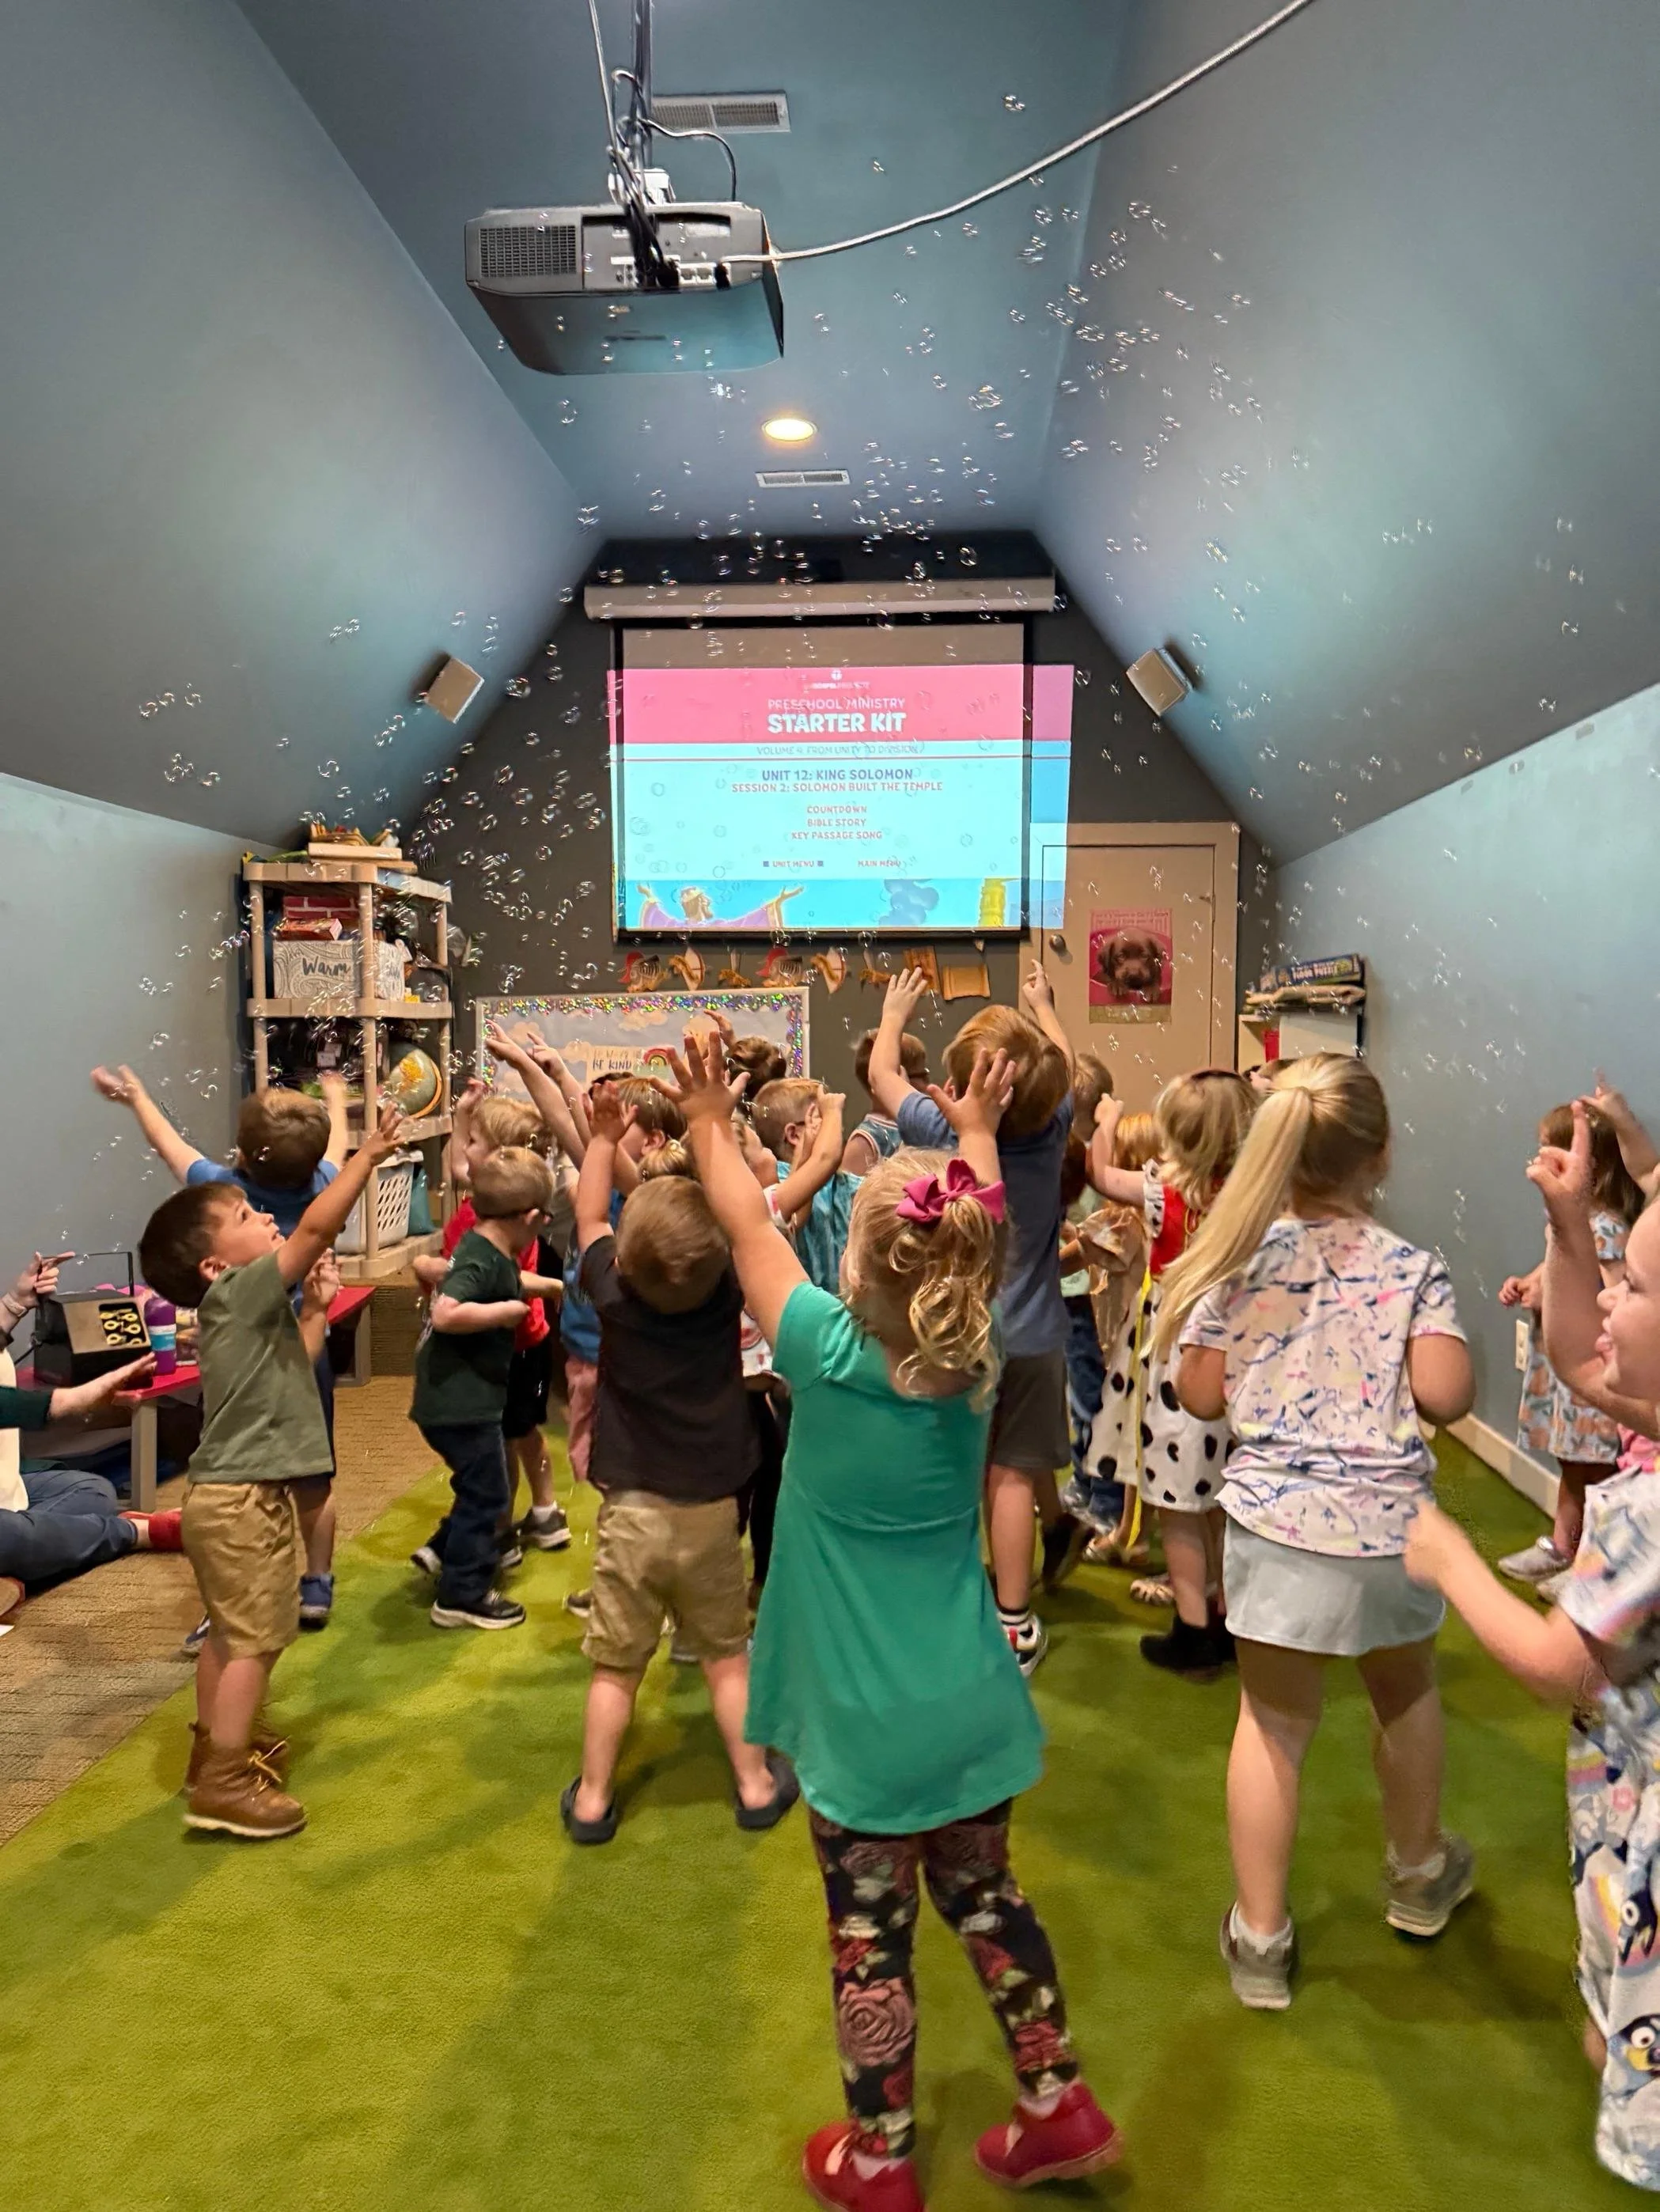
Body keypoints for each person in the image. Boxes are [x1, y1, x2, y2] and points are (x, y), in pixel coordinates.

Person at [667, 1027, 1120, 2206]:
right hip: (969, 1706)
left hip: (863, 1730)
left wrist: (712, 1119)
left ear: (859, 1268)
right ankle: (1053, 2100)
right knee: (988, 1899)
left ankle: (878, 2158)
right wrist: (973, 1127)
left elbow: (748, 1224)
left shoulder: (820, 1347)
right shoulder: (973, 1359)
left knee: (869, 1943)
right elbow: (981, 1227)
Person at [1150, 1053, 1476, 2009]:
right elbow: (1445, 1395)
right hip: (1391, 1536)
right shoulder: (1412, 1268)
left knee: (1272, 1726)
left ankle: (1259, 1939)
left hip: (1274, 1530)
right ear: (1379, 1156)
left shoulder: (1236, 1261)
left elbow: (1200, 1394)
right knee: (1405, 1697)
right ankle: (1417, 1877)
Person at [1406, 1100, 1660, 2191]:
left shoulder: (1652, 1514)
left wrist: (1452, 1561)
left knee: (1635, 2025)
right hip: (1618, 1792)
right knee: (1610, 1980)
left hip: (1644, 1813)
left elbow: (1561, 1660)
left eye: (1635, 1285)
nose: (1608, 1290)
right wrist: (1566, 1229)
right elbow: (1574, 1363)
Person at [138, 1099, 407, 1838]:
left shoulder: (243, 1313)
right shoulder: (237, 1291)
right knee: (258, 1636)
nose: (267, 1218)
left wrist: (317, 1313)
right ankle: (225, 1782)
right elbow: (319, 1226)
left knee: (230, 1633)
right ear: (215, 1265)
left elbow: (293, 1368)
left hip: (227, 1499)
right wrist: (368, 1155)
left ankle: (213, 1752)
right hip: (242, 1502)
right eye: (248, 1215)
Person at [560, 1081, 796, 1843]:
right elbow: (748, 1222)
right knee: (727, 1659)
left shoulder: (613, 1290)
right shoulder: (728, 1286)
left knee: (615, 1669)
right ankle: (754, 1784)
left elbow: (590, 1214)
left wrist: (600, 1137)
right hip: (709, 1512)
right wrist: (714, 1126)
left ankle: (593, 1799)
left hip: (631, 1513)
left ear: (625, 1258)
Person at [92, 1061, 350, 1630]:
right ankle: (317, 1580)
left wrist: (135, 1096)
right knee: (312, 1474)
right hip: (308, 1354)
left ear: (242, 1151)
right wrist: (334, 1095)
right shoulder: (323, 1186)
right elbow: (340, 1150)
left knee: (232, 1475)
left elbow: (170, 1147)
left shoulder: (223, 1194)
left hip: (235, 1368)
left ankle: (228, 1598)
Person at [869, 963, 1074, 1676]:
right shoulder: (1053, 1128)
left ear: (960, 1090)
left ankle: (942, 1608)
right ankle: (1014, 1625)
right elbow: (1066, 1067)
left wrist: (895, 1016)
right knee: (1014, 1476)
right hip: (1040, 1338)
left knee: (955, 1468)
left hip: (959, 1335)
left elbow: (883, 1076)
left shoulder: (937, 1126)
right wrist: (1044, 1006)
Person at [1090, 1068, 1256, 1676]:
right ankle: (1226, 1614)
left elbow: (1101, 1175)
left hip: (1179, 1359)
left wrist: (1106, 1124)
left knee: (1179, 1502)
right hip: (1239, 1358)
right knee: (1220, 1497)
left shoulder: (1165, 1187)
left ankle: (1193, 1628)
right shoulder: (1256, 1197)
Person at [409, 1146, 560, 1633]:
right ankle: (462, 1594)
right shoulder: (480, 1261)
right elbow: (446, 1311)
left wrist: (553, 1288)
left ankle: (445, 1549)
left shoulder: (486, 1248)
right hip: (460, 1403)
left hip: (460, 1399)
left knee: (479, 1485)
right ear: (532, 1217)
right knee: (490, 1495)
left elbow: (511, 1279)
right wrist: (505, 1314)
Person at [1499, 1101, 1645, 1593]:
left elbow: (1605, 1289)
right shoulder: (1576, 1222)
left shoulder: (1606, 1229)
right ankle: (1564, 1546)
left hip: (1590, 1380)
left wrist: (1548, 1290)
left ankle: (1589, 1561)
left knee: (1596, 1470)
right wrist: (1529, 1281)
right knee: (1573, 1464)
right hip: (1565, 1377)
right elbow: (1560, 1264)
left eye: (1550, 1152)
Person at [0, 1248, 172, 1589]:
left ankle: (21, 1563)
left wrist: (15, 1303)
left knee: (93, 1491)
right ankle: (131, 1533)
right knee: (9, 1537)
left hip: (10, 1490)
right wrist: (83, 1397)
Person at [1064, 1109, 1160, 1570]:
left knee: (1109, 1428)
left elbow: (1070, 1260)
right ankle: (1123, 1520)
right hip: (1137, 1346)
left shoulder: (1123, 1223)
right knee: (1130, 1436)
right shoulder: (1149, 1222)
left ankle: (1114, 1518)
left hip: (1117, 1347)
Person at [1047, 1052, 1116, 1589]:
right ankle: (1085, 1485)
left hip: (1084, 1299)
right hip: (1071, 1297)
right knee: (1080, 1397)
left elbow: (1089, 1240)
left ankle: (1105, 1499)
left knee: (1091, 1399)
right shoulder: (1075, 1157)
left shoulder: (1091, 1164)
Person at [842, 1024, 930, 1178]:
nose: (927, 1084)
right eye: (922, 1075)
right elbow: (849, 1199)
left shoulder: (920, 1125)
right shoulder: (865, 1141)